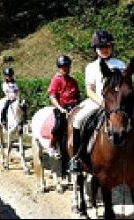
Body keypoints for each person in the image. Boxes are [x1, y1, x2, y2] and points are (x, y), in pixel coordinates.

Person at [69, 30, 126, 173]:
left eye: (107, 46)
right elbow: (89, 90)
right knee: (78, 120)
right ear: (96, 49)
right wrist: (102, 103)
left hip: (120, 103)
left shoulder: (120, 64)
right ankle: (77, 158)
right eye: (101, 47)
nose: (104, 49)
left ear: (111, 47)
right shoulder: (91, 67)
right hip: (98, 101)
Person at [48, 55, 80, 156]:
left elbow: (78, 96)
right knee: (58, 125)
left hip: (73, 108)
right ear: (59, 67)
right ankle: (52, 145)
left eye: (67, 66)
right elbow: (52, 96)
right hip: (61, 108)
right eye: (63, 67)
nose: (65, 68)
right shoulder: (56, 79)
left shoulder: (73, 81)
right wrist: (61, 108)